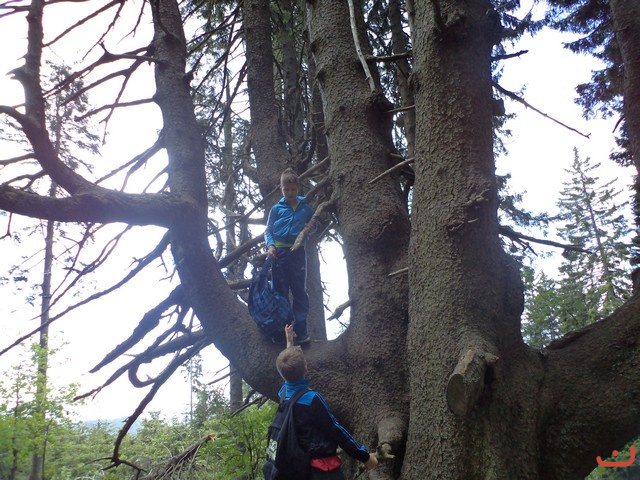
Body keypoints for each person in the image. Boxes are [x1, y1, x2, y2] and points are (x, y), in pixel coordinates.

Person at [268, 325, 378, 479]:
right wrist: (365, 457)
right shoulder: (312, 399)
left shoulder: (284, 393)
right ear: (306, 369)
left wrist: (289, 342)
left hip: (297, 468)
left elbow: (288, 372)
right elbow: (336, 430)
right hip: (320, 470)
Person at [265, 169, 314, 344]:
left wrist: (310, 229)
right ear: (281, 188)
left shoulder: (306, 208)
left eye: (293, 189)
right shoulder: (276, 209)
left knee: (299, 291)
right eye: (286, 190)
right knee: (280, 291)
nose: (290, 193)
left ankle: (301, 331)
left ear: (298, 188)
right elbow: (268, 230)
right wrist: (271, 245)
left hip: (297, 252)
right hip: (279, 254)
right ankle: (282, 330)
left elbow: (312, 226)